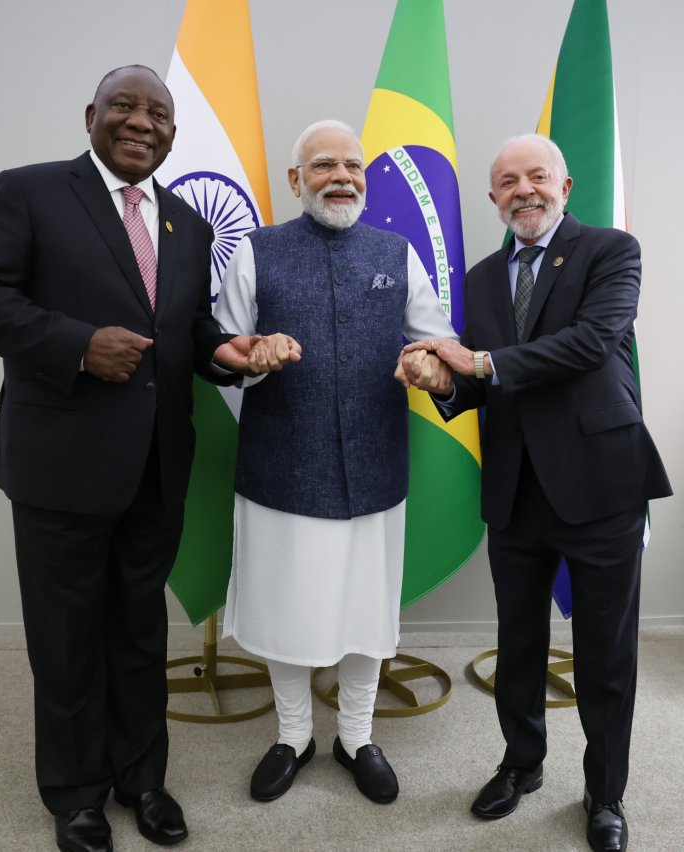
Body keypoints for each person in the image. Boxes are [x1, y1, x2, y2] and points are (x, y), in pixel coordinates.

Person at [0, 65, 265, 852]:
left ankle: (143, 781)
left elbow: (186, 329)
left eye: (157, 113)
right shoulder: (28, 192)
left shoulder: (188, 225)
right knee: (66, 641)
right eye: (124, 106)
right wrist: (78, 346)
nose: (141, 122)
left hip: (156, 468)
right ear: (91, 114)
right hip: (60, 465)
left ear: (171, 131)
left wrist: (228, 353)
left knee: (136, 634)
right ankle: (76, 795)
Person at [397, 133, 671, 852]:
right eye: (509, 181)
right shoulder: (484, 277)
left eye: (538, 176)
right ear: (493, 198)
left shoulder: (612, 251)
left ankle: (604, 794)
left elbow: (591, 342)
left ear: (566, 184)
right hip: (515, 490)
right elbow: (483, 384)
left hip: (600, 485)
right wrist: (443, 385)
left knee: (603, 656)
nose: (525, 190)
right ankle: (522, 766)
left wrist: (477, 361)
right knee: (518, 647)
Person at [213, 119, 456, 805]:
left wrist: (425, 363)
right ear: (296, 181)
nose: (341, 177)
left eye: (352, 165)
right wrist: (252, 358)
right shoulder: (256, 253)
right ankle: (293, 737)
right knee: (284, 609)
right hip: (280, 467)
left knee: (365, 609)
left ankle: (355, 735)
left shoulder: (396, 250)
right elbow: (224, 351)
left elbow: (439, 343)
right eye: (323, 166)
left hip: (376, 465)